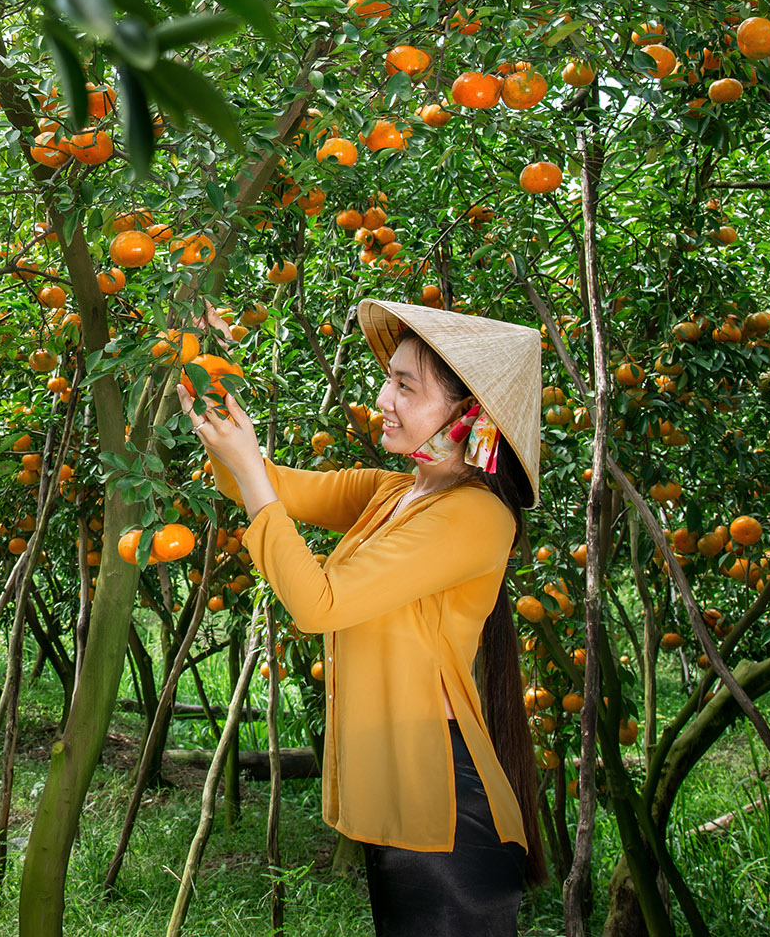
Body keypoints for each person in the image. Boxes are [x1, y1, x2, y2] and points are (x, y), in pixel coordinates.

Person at [178, 297, 548, 936]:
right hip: (411, 802)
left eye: (406, 386)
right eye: (389, 380)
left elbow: (321, 602)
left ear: (469, 415)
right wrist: (206, 365)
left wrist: (250, 470)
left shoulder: (478, 516)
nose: (383, 398)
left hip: (446, 808)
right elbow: (257, 481)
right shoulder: (391, 492)